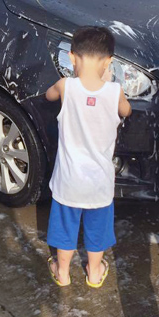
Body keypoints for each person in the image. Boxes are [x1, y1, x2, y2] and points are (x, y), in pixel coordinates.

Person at [45, 26, 132, 288]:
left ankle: (62, 272)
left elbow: (49, 96)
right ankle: (94, 273)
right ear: (109, 62)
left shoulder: (65, 86)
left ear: (72, 58)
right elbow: (126, 111)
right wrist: (107, 82)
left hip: (68, 180)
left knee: (64, 228)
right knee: (97, 230)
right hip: (99, 182)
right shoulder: (114, 91)